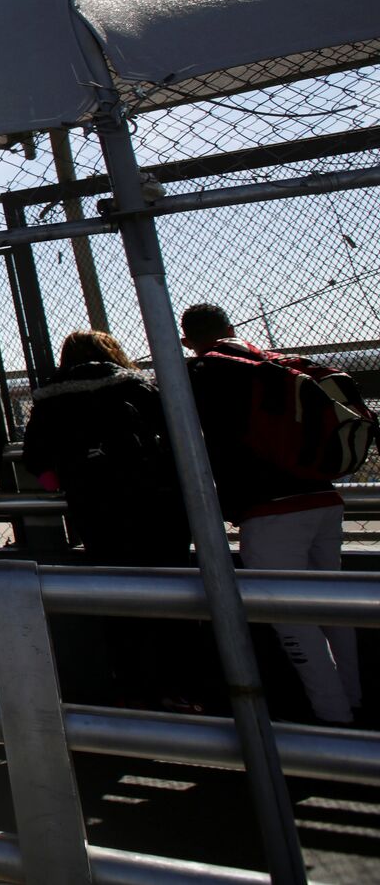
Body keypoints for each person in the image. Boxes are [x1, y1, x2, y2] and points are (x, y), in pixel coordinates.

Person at [182, 303, 362, 725]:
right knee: (334, 608)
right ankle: (354, 700)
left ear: (188, 341)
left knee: (289, 618)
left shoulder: (203, 373)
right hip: (322, 497)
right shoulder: (272, 362)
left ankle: (332, 720)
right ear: (230, 327)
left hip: (268, 510)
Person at [22, 330, 197, 711]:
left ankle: (130, 686)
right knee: (171, 595)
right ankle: (175, 687)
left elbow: (35, 457)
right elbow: (178, 435)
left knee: (116, 597)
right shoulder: (135, 386)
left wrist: (63, 483)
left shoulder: (51, 397)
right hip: (156, 504)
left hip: (96, 509)